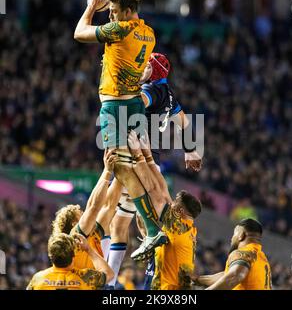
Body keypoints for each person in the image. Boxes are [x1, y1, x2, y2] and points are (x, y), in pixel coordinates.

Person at [74, 0, 165, 257]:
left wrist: (91, 7)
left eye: (114, 12)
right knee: (131, 167)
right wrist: (108, 4)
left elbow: (80, 32)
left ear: (126, 11)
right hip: (134, 103)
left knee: (118, 166)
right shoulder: (148, 32)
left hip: (115, 105)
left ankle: (151, 229)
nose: (111, 17)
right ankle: (151, 229)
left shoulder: (120, 29)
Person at [106, 53, 203, 288]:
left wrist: (121, 82)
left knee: (112, 215)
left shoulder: (152, 90)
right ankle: (117, 279)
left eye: (146, 64)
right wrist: (191, 150)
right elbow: (184, 121)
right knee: (119, 225)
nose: (142, 67)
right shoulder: (167, 93)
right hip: (148, 159)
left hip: (138, 159)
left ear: (154, 69)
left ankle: (108, 282)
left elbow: (139, 101)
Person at [127, 131, 202, 290]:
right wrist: (147, 154)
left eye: (174, 203)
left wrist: (137, 154)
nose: (171, 203)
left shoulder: (177, 227)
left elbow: (154, 190)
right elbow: (162, 188)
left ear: (180, 211)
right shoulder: (186, 227)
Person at [51, 150, 122, 270]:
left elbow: (108, 207)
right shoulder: (75, 238)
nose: (84, 214)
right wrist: (107, 171)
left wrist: (122, 171)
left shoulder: (91, 235)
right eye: (80, 214)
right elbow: (93, 207)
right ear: (74, 224)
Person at [191, 219, 272, 290]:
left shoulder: (242, 253)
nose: (232, 238)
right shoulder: (262, 258)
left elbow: (234, 276)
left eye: (234, 234)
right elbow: (227, 275)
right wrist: (199, 280)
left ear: (241, 235)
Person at [26, 233, 114, 290]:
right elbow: (109, 274)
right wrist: (88, 249)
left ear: (50, 256)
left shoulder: (38, 279)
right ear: (73, 257)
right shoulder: (86, 277)